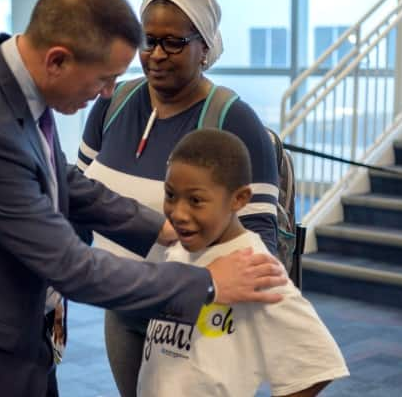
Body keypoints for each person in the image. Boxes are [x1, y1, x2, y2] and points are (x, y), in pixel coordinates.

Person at [0, 0, 288, 397]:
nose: (108, 92)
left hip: (12, 333)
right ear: (58, 60)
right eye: (103, 79)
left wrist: (155, 227)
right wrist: (208, 282)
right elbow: (72, 267)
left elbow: (63, 179)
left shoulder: (4, 75)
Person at [76, 0, 279, 397]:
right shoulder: (114, 102)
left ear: (204, 48)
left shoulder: (232, 119)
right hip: (122, 304)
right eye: (149, 40)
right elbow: (77, 195)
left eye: (174, 42)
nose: (156, 55)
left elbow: (262, 240)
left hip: (194, 317)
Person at [137, 129, 349, 397]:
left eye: (195, 200)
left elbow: (319, 361)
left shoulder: (256, 268)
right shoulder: (180, 246)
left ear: (239, 199)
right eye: (170, 195)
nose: (178, 213)